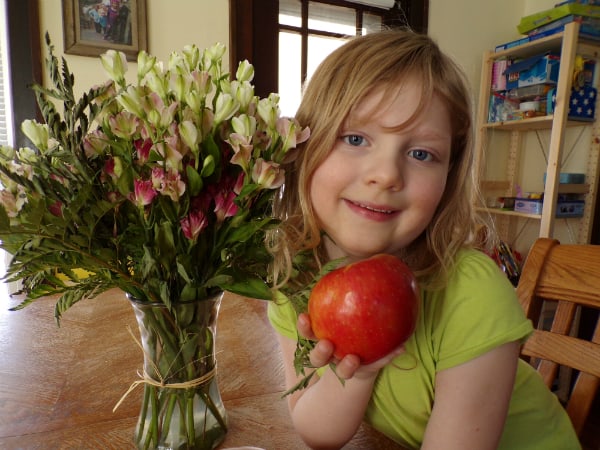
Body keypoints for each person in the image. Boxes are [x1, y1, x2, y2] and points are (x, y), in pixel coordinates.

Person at [266, 29, 581, 450]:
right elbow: (317, 431)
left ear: (447, 178)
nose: (387, 174)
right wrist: (358, 375)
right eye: (355, 139)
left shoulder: (472, 294)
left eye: (420, 154)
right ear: (304, 148)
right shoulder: (293, 278)